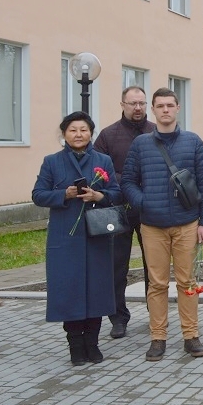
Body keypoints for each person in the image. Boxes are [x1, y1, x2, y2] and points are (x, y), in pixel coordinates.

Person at [122, 88, 203, 361]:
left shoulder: (193, 142)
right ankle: (158, 337)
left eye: (169, 105)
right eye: (160, 106)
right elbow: (127, 181)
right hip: (152, 225)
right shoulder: (140, 144)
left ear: (177, 108)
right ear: (153, 109)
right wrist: (144, 201)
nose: (165, 110)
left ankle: (191, 335)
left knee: (187, 281)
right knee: (157, 284)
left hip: (187, 223)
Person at [32, 111, 122, 366]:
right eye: (73, 130)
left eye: (83, 130)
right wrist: (64, 194)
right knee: (68, 291)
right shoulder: (51, 162)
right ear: (64, 134)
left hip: (96, 236)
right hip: (65, 238)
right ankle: (75, 346)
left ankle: (93, 344)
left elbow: (116, 192)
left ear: (91, 133)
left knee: (97, 290)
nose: (78, 134)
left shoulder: (102, 160)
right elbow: (38, 194)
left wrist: (99, 196)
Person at [93, 85, 155, 339]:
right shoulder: (108, 136)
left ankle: (156, 314)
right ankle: (118, 317)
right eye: (133, 103)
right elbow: (99, 172)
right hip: (117, 210)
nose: (138, 108)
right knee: (116, 267)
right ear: (122, 105)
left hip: (150, 209)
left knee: (154, 266)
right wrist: (128, 182)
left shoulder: (156, 132)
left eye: (141, 103)